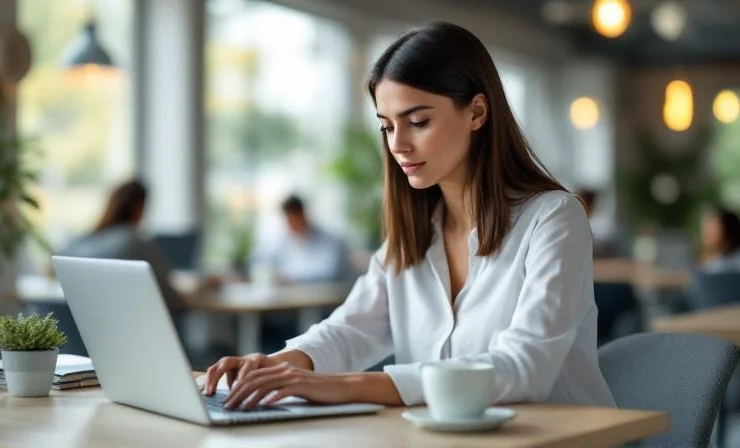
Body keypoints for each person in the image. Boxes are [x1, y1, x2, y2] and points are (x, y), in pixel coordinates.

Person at [202, 21, 615, 410]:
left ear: (476, 113)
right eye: (386, 126)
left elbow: (524, 368)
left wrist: (340, 386)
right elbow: (349, 330)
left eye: (418, 121)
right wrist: (276, 366)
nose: (398, 144)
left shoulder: (554, 219)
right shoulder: (415, 234)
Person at [56, 179, 188, 312]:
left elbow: (52, 264)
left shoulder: (81, 242)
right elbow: (171, 297)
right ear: (139, 208)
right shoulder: (134, 243)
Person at [254, 195, 353, 284]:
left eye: (292, 218)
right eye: (287, 219)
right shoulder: (283, 241)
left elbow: (329, 272)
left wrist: (290, 278)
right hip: (293, 297)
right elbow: (263, 261)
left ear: (302, 214)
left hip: (327, 298)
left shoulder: (331, 240)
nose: (289, 224)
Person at [698, 205, 740, 273]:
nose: (706, 231)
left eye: (712, 226)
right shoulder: (709, 261)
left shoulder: (733, 262)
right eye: (706, 226)